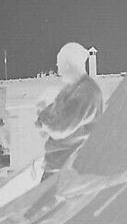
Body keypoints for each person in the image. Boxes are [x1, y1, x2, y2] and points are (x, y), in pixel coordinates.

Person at [35, 41, 104, 180]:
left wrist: (43, 114)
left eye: (59, 64)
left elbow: (59, 128)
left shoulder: (87, 92)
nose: (58, 69)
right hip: (57, 167)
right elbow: (45, 126)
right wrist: (43, 118)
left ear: (69, 65)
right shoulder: (71, 89)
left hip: (70, 171)